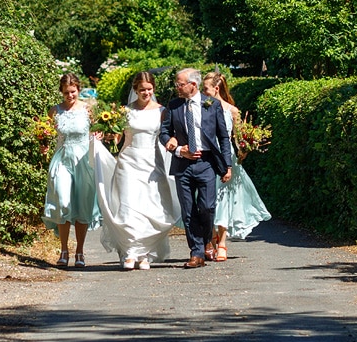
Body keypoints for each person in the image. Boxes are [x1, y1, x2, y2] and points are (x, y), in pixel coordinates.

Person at [92, 71, 181, 270]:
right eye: (142, 90)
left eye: (149, 89)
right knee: (128, 206)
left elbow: (169, 134)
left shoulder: (162, 111)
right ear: (135, 90)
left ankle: (145, 254)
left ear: (154, 90)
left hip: (152, 162)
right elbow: (115, 136)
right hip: (128, 161)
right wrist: (104, 135)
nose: (146, 93)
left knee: (150, 208)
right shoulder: (125, 111)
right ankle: (130, 252)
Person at [160, 67, 233, 268]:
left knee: (207, 207)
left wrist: (227, 165)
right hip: (182, 164)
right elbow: (164, 133)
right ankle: (197, 252)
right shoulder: (174, 106)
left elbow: (223, 137)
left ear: (193, 85)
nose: (177, 87)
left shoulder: (212, 105)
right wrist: (177, 149)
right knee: (188, 210)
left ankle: (208, 237)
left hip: (207, 163)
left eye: (180, 84)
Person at [203, 71, 271, 261]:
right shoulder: (202, 107)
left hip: (227, 158)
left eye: (206, 89)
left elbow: (238, 137)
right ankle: (213, 235)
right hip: (207, 157)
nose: (203, 92)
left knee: (224, 199)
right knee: (208, 200)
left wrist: (247, 146)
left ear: (216, 89)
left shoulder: (232, 110)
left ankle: (222, 242)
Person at [42, 72, 101, 267]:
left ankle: (80, 252)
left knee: (83, 205)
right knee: (63, 201)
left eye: (73, 92)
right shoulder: (55, 111)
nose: (70, 96)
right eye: (66, 92)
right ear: (61, 92)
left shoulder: (88, 109)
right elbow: (45, 131)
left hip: (83, 160)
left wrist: (100, 136)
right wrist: (43, 142)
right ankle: (64, 249)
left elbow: (98, 130)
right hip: (62, 159)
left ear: (78, 90)